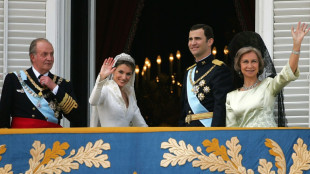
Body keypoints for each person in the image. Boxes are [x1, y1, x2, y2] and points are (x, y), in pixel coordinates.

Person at [226, 22, 310, 127]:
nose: (250, 66)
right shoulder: (231, 97)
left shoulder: (268, 86)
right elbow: (231, 130)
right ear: (239, 65)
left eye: (254, 61)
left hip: (268, 140)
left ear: (260, 64)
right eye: (245, 62)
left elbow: (288, 73)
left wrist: (296, 46)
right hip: (245, 142)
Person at [0, 38, 80, 128]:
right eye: (45, 54)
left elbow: (76, 117)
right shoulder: (14, 79)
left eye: (51, 54)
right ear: (32, 57)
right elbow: (3, 117)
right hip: (21, 138)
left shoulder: (62, 84)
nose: (49, 58)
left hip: (52, 139)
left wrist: (55, 88)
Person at [179, 24, 234, 127]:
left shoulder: (220, 70)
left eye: (197, 39)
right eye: (190, 39)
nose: (193, 43)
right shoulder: (189, 72)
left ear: (210, 41)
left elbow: (221, 109)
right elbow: (183, 112)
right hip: (188, 135)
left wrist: (214, 136)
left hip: (208, 135)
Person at [89, 53, 148, 127]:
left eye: (128, 74)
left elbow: (141, 125)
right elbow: (93, 101)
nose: (124, 77)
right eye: (121, 72)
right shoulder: (105, 89)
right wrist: (101, 79)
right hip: (107, 138)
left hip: (126, 138)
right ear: (113, 71)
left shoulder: (130, 95)